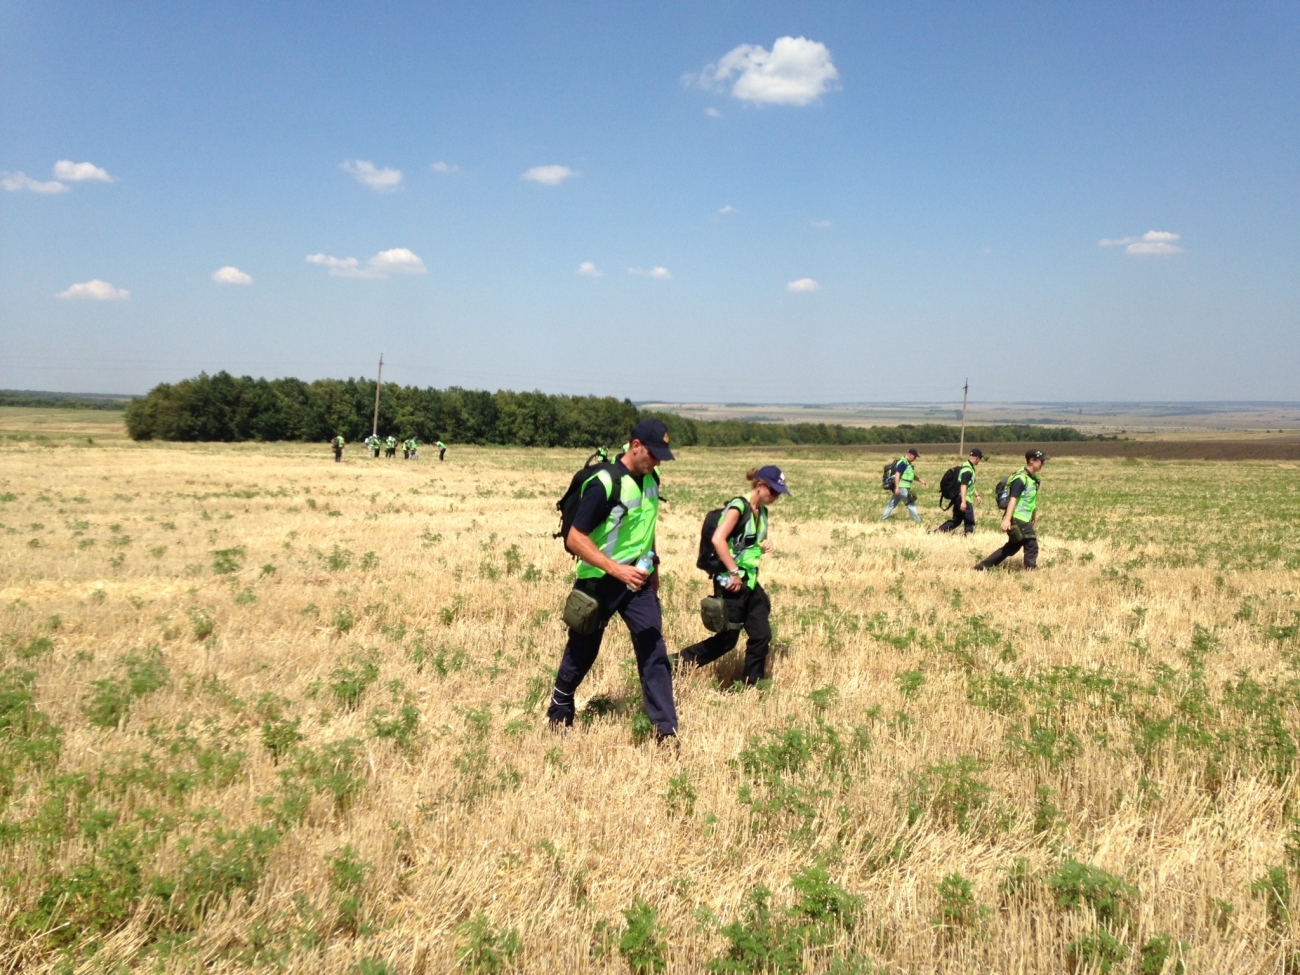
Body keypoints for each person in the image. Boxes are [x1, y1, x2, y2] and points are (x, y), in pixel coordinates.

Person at [548, 418, 678, 743]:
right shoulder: (605, 483)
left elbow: (646, 529)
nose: (659, 462)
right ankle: (560, 708)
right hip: (598, 580)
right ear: (636, 447)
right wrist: (616, 570)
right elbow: (575, 538)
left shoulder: (652, 478)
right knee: (583, 651)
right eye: (654, 454)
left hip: (638, 580)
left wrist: (653, 571)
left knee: (653, 649)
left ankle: (665, 730)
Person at [676, 466, 788, 685]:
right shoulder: (738, 507)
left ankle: (752, 683)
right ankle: (672, 664)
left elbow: (748, 542)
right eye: (773, 491)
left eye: (779, 493)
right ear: (760, 485)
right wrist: (734, 573)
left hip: (750, 581)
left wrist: (763, 544)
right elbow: (718, 539)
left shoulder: (762, 512)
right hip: (731, 583)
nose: (776, 496)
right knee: (726, 640)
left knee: (761, 635)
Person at [975, 450, 1046, 571]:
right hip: (1016, 517)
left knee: (1012, 547)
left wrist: (1034, 515)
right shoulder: (1020, 479)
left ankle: (982, 566)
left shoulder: (1033, 479)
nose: (1043, 464)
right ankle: (1031, 570)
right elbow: (1013, 500)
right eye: (1041, 461)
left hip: (1023, 518)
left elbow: (1030, 500)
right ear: (1032, 461)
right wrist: (1007, 520)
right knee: (1031, 542)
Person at [933, 448, 983, 535]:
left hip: (958, 498)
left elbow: (968, 484)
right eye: (980, 459)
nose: (979, 461)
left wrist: (977, 495)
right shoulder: (968, 470)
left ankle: (937, 532)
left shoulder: (965, 466)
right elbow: (963, 486)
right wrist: (963, 502)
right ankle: (969, 537)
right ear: (977, 458)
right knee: (969, 521)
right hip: (964, 498)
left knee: (956, 521)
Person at [881, 448, 927, 522]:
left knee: (891, 504)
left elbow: (911, 475)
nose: (915, 459)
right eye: (915, 457)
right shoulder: (903, 463)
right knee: (911, 503)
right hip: (902, 488)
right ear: (910, 455)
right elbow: (897, 474)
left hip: (901, 488)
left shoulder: (907, 463)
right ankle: (918, 521)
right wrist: (897, 488)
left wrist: (920, 480)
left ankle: (883, 518)